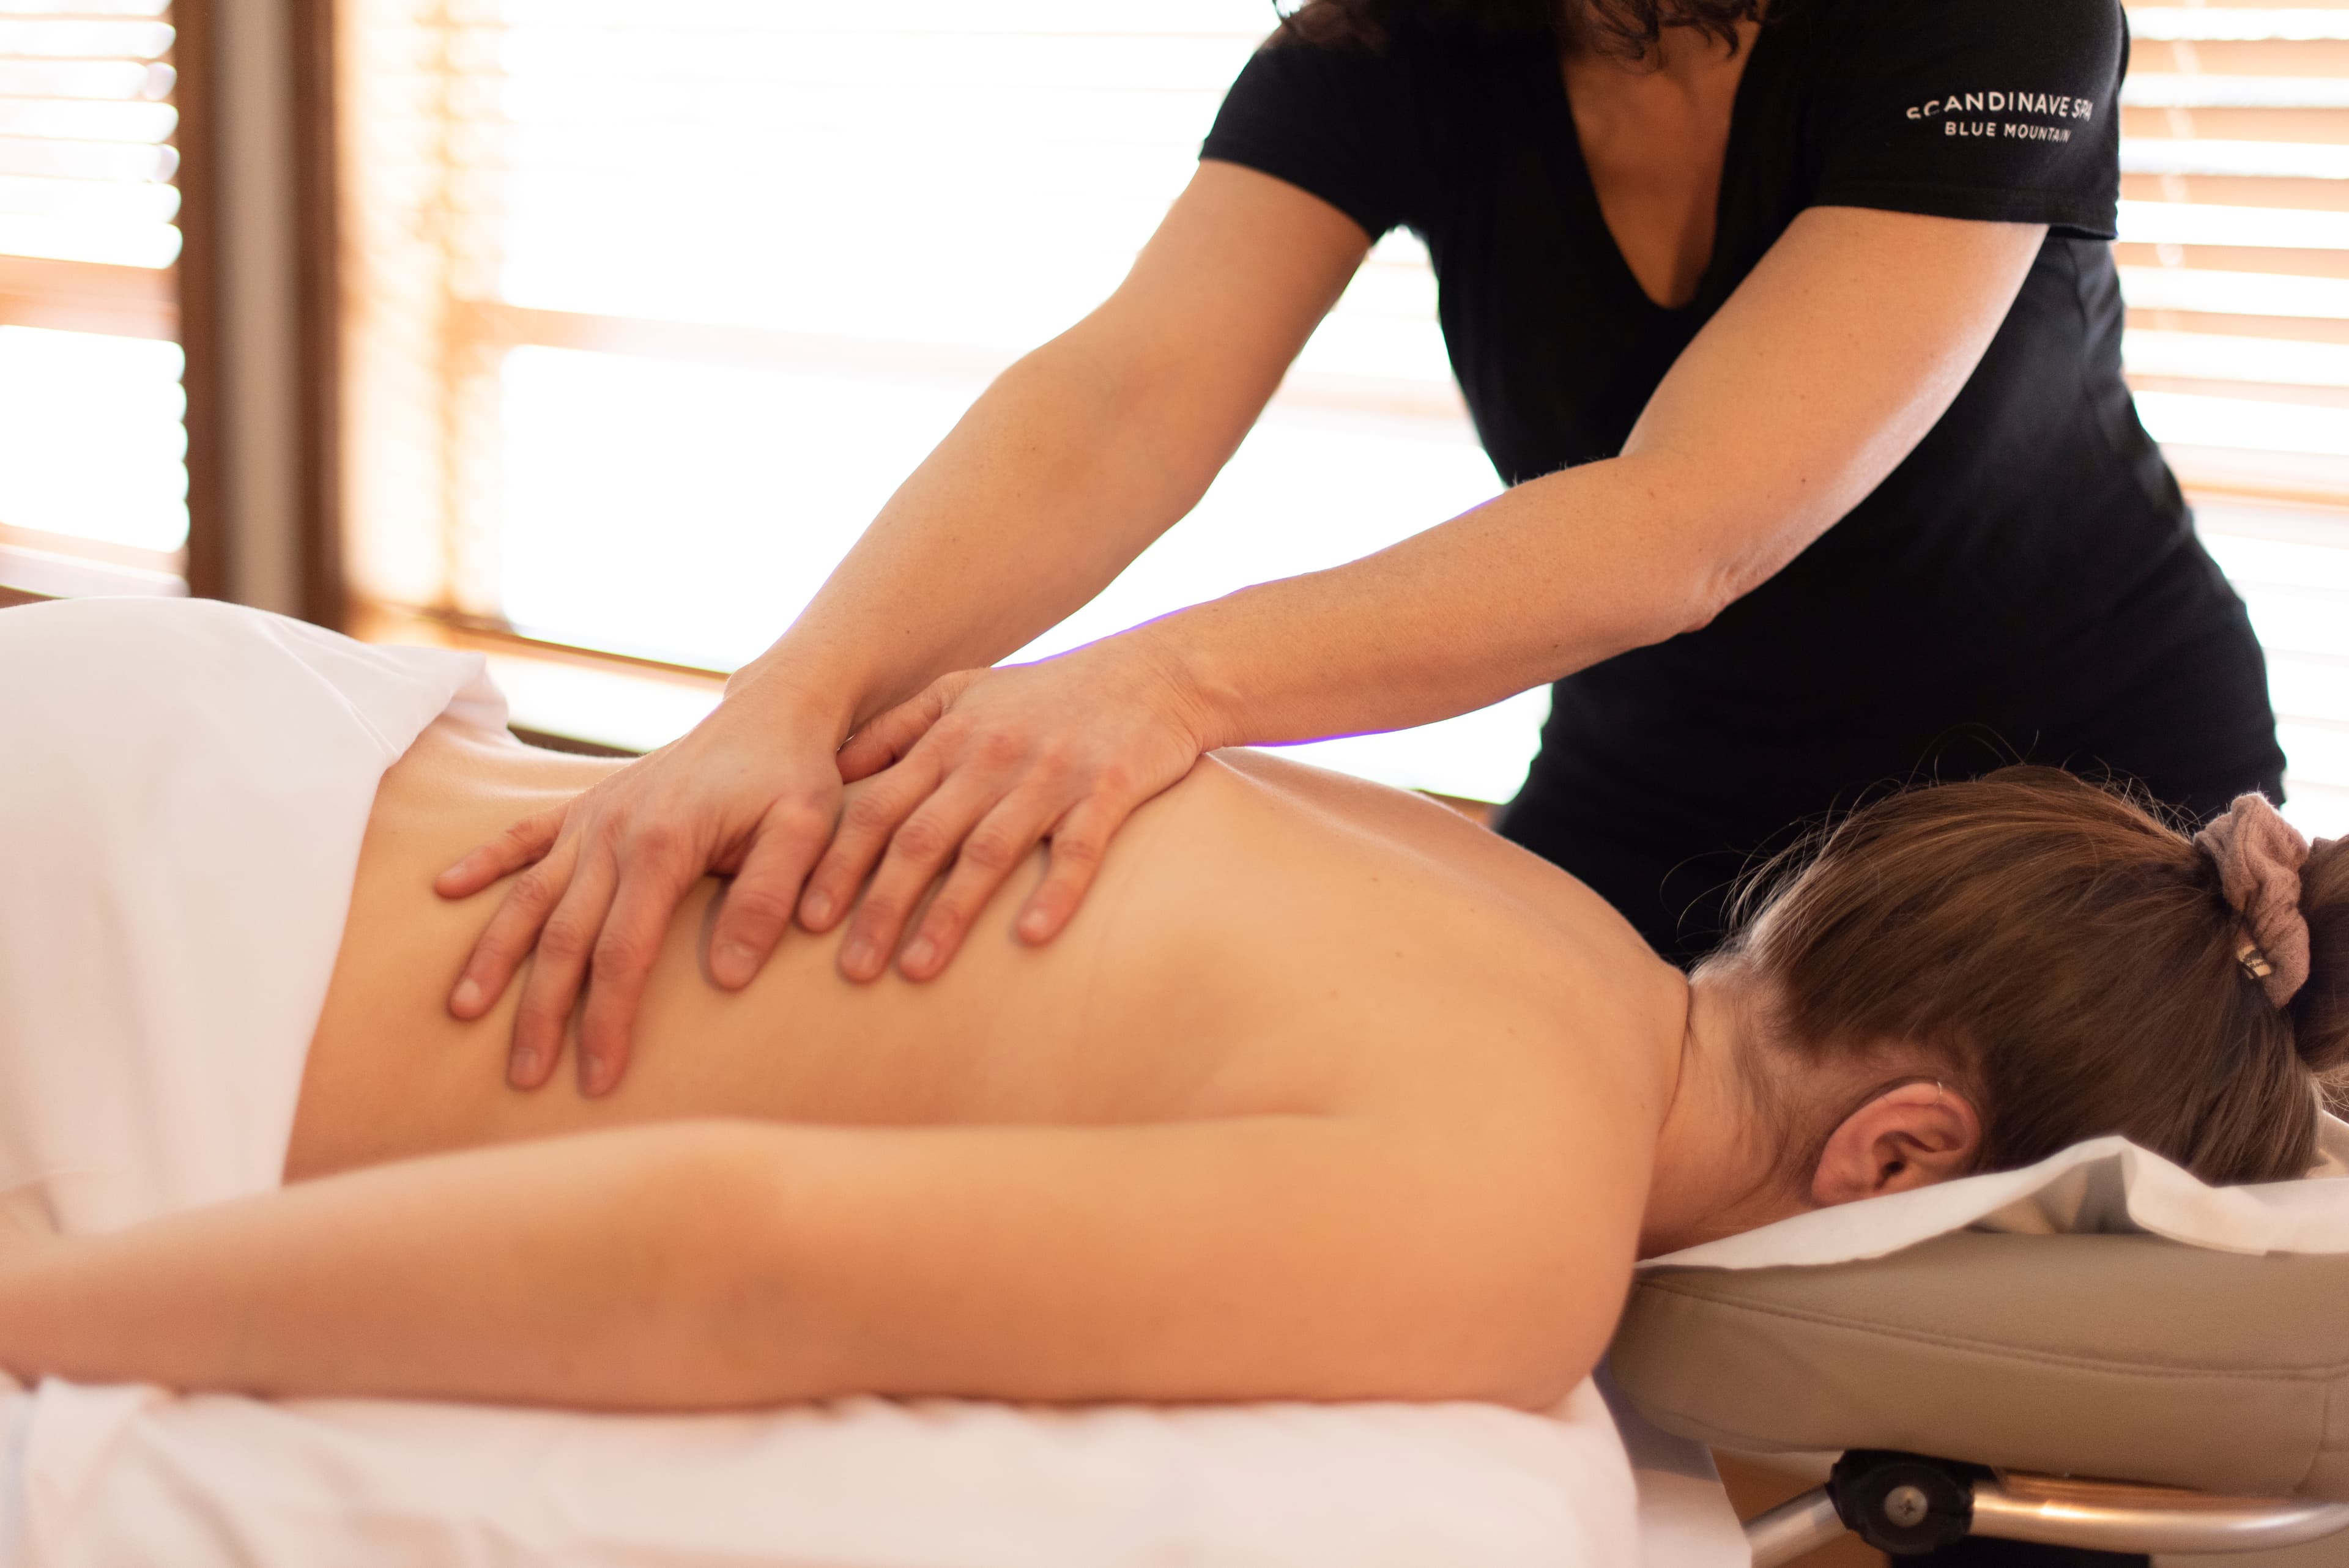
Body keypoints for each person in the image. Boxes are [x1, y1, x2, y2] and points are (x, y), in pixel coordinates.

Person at [431, 0, 2283, 1141]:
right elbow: (1125, 397)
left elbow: (1688, 519)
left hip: (2069, 807)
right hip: (1661, 791)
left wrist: (1154, 685)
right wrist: (781, 706)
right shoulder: (1406, 37)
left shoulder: (1985, 19)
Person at [0, 597, 2334, 1413]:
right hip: (151, 970)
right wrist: (54, 1303)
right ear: (1902, 1157)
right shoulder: (1509, 1229)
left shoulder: (1483, 867)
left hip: (238, 733)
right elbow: (732, 1253)